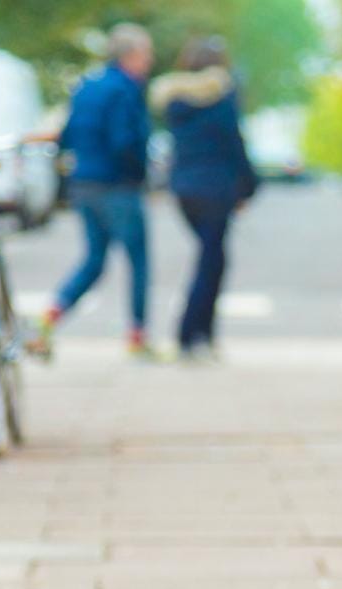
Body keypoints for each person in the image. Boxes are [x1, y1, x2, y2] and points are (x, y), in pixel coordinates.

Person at [35, 23, 154, 360]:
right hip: (118, 185)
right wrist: (140, 173)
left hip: (84, 183)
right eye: (146, 54)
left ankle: (50, 316)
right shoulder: (125, 89)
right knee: (138, 262)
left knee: (94, 260)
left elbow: (68, 135)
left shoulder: (87, 86)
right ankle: (137, 336)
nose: (149, 62)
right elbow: (125, 141)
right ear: (130, 56)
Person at [150, 36, 258, 361]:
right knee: (213, 261)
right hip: (216, 189)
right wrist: (249, 186)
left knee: (210, 258)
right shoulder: (222, 98)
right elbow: (233, 144)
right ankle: (192, 335)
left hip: (185, 189)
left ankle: (200, 335)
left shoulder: (175, 100)